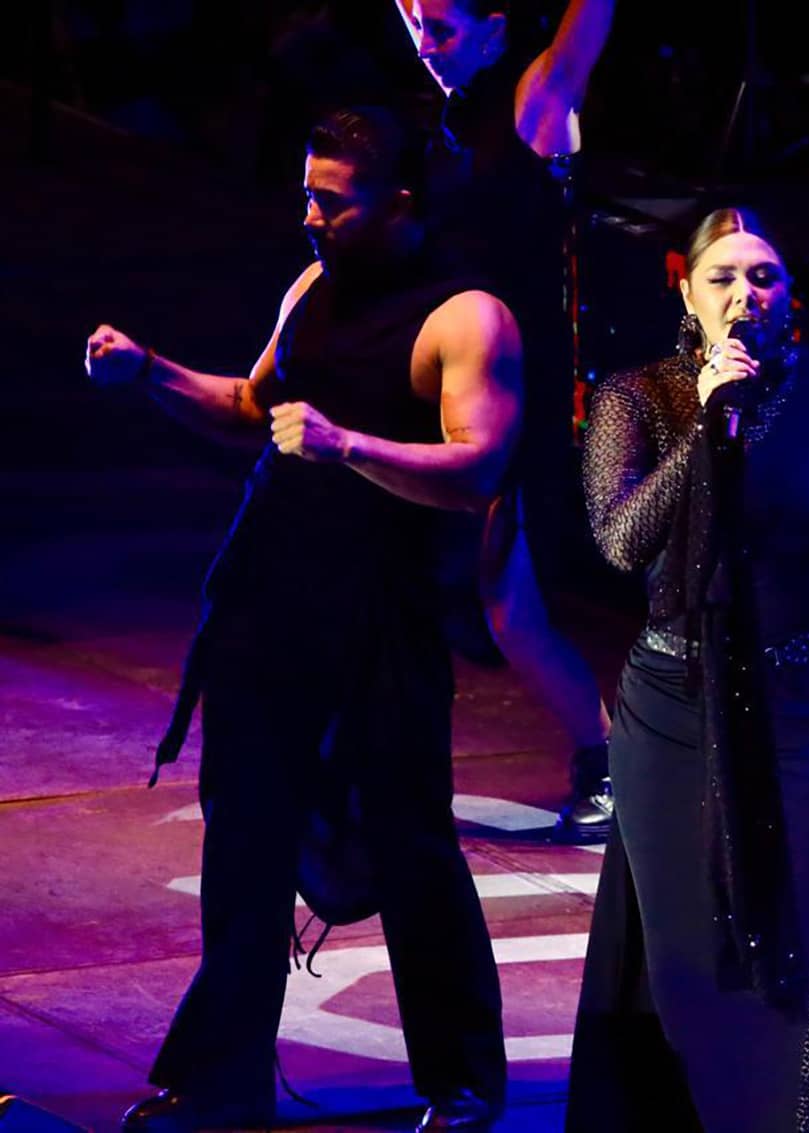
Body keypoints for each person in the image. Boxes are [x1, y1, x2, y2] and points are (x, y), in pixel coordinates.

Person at [88, 106, 515, 1133]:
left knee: (410, 843)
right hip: (269, 599)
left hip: (381, 615)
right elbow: (248, 405)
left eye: (334, 198)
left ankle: (461, 1082)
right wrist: (151, 372)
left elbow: (481, 467)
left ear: (401, 204)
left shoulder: (466, 317)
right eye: (307, 194)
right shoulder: (312, 288)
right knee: (246, 843)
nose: (312, 215)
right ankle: (218, 1082)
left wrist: (348, 444)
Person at [563, 208, 809, 1131]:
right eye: (723, 276)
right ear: (685, 289)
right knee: (697, 964)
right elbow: (621, 540)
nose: (744, 294)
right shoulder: (635, 398)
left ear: (790, 294)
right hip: (677, 706)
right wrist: (712, 420)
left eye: (763, 276)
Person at [394, 0, 618, 842]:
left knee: (510, 611)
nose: (425, 48)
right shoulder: (442, 117)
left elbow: (586, 27)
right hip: (438, 390)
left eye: (442, 30)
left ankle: (605, 759)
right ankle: (385, 756)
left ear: (495, 25)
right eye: (413, 28)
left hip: (517, 401)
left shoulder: (533, 104)